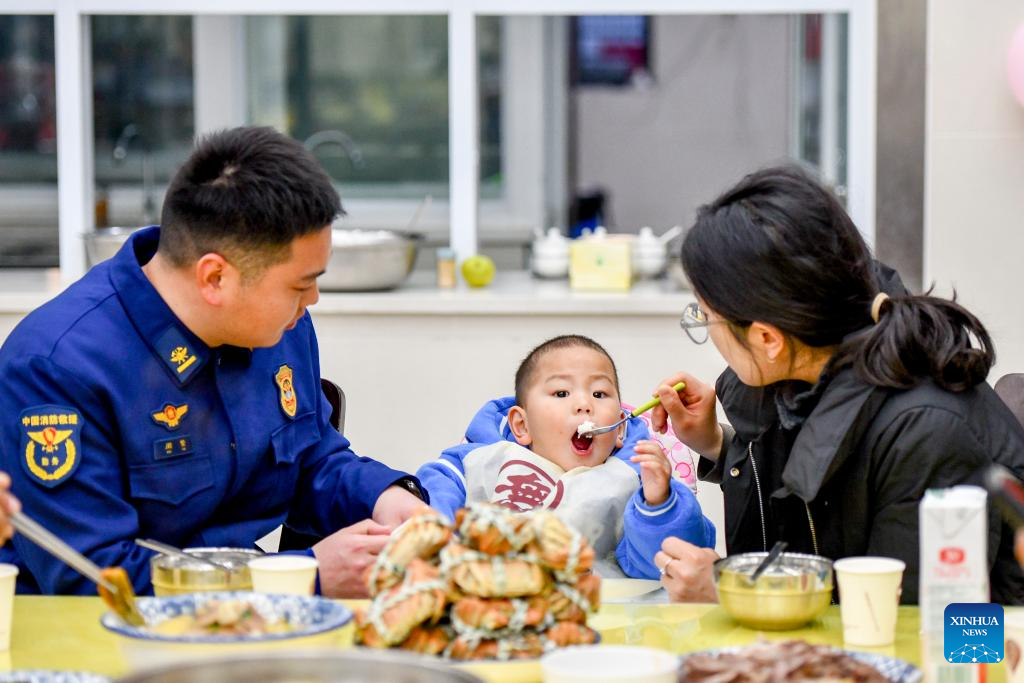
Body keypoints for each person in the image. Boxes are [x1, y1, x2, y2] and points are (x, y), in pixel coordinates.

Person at [0, 127, 427, 597]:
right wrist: (300, 577)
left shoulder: (279, 328)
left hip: (246, 615)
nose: (313, 298)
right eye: (299, 284)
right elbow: (92, 577)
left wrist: (385, 496)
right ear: (215, 277)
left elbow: (311, 459)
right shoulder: (58, 367)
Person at [650, 165, 1024, 605]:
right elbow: (807, 509)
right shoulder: (811, 368)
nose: (707, 329)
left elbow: (911, 626)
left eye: (704, 315)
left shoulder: (927, 429)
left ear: (768, 338)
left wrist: (729, 588)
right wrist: (717, 444)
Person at [416, 334, 715, 578]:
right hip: (493, 604)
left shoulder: (632, 479)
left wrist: (659, 503)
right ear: (522, 425)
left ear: (621, 428)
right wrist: (439, 541)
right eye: (561, 393)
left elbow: (665, 567)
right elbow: (431, 499)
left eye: (599, 394)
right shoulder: (484, 460)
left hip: (601, 618)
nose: (584, 404)